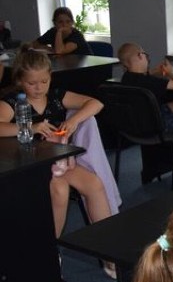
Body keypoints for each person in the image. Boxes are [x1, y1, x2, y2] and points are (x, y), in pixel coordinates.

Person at [0, 48, 115, 244]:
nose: (39, 88)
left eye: (44, 82)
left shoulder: (56, 97)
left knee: (94, 184)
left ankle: (107, 251)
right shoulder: (12, 103)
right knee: (60, 190)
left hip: (58, 163)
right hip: (31, 166)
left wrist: (74, 121)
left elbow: (96, 103)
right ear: (19, 81)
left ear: (50, 77)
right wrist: (30, 127)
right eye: (32, 83)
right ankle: (51, 251)